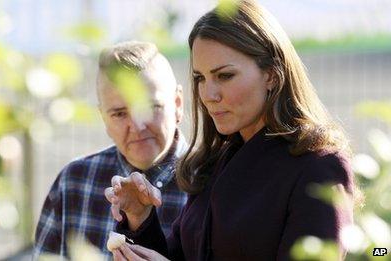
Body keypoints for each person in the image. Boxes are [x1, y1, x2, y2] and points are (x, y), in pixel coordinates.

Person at [105, 1, 359, 260]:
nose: (208, 95)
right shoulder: (214, 163)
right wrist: (140, 217)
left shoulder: (319, 166)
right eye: (200, 78)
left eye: (224, 76)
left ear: (271, 74)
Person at [33, 41, 188, 259]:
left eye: (151, 107)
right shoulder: (73, 183)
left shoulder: (212, 182)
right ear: (104, 118)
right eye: (119, 113)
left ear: (178, 104)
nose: (137, 126)